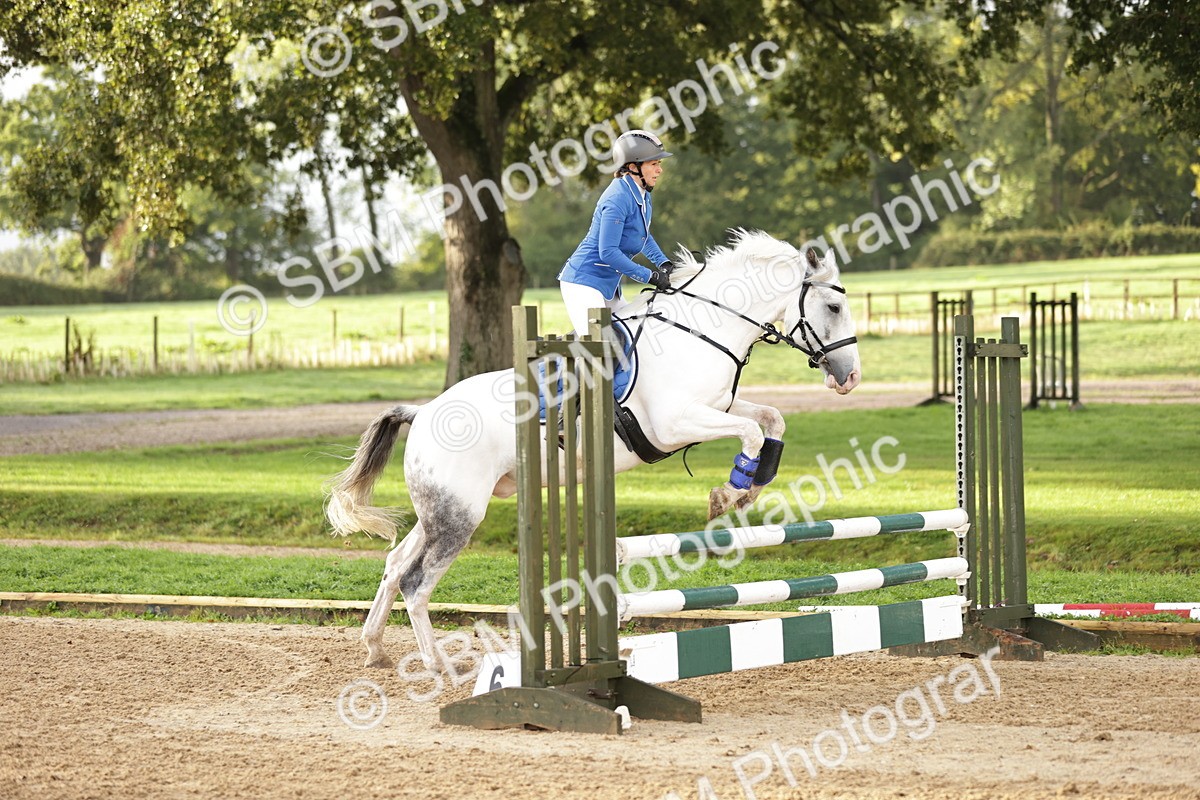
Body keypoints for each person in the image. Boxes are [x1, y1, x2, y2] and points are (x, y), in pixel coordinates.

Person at [558, 129, 676, 334]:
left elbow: (642, 235)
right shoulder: (617, 198)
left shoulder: (642, 194)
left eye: (659, 164)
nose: (659, 170)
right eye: (653, 164)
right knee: (601, 346)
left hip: (609, 286)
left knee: (636, 335)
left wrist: (663, 262)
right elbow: (608, 252)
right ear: (633, 167)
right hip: (584, 283)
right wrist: (649, 276)